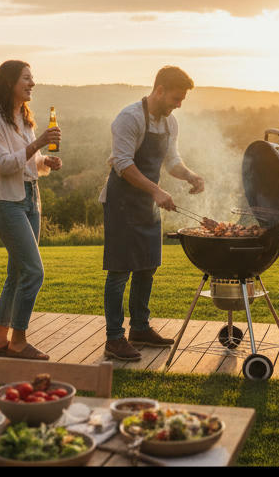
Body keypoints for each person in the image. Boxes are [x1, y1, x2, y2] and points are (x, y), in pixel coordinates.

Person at [100, 65, 205, 361]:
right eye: (176, 98)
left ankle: (141, 327)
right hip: (121, 202)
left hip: (146, 203)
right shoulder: (129, 117)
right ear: (159, 90)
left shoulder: (171, 123)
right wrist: (157, 192)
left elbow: (171, 161)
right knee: (120, 271)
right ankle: (114, 338)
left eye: (182, 99)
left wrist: (190, 176)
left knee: (147, 265)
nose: (179, 104)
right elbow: (122, 164)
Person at [0, 60, 61, 360]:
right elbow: (3, 164)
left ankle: (0, 341)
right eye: (26, 78)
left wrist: (45, 162)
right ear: (9, 81)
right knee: (33, 271)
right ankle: (19, 341)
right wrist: (39, 142)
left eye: (32, 77)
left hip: (29, 196)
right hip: (5, 200)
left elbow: (29, 161)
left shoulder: (24, 118)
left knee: (16, 272)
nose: (32, 83)